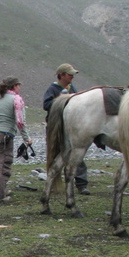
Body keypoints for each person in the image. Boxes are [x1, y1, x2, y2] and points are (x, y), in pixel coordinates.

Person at [43, 63, 90, 195]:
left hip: (71, 126)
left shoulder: (72, 88)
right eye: (70, 74)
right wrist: (62, 100)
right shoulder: (52, 89)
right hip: (56, 127)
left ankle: (81, 184)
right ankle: (53, 182)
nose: (72, 77)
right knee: (56, 153)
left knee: (76, 152)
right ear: (62, 75)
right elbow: (46, 104)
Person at [0, 77, 32, 204]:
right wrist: (27, 139)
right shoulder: (16, 99)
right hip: (4, 135)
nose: (20, 88)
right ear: (15, 86)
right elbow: (20, 122)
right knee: (3, 166)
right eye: (19, 85)